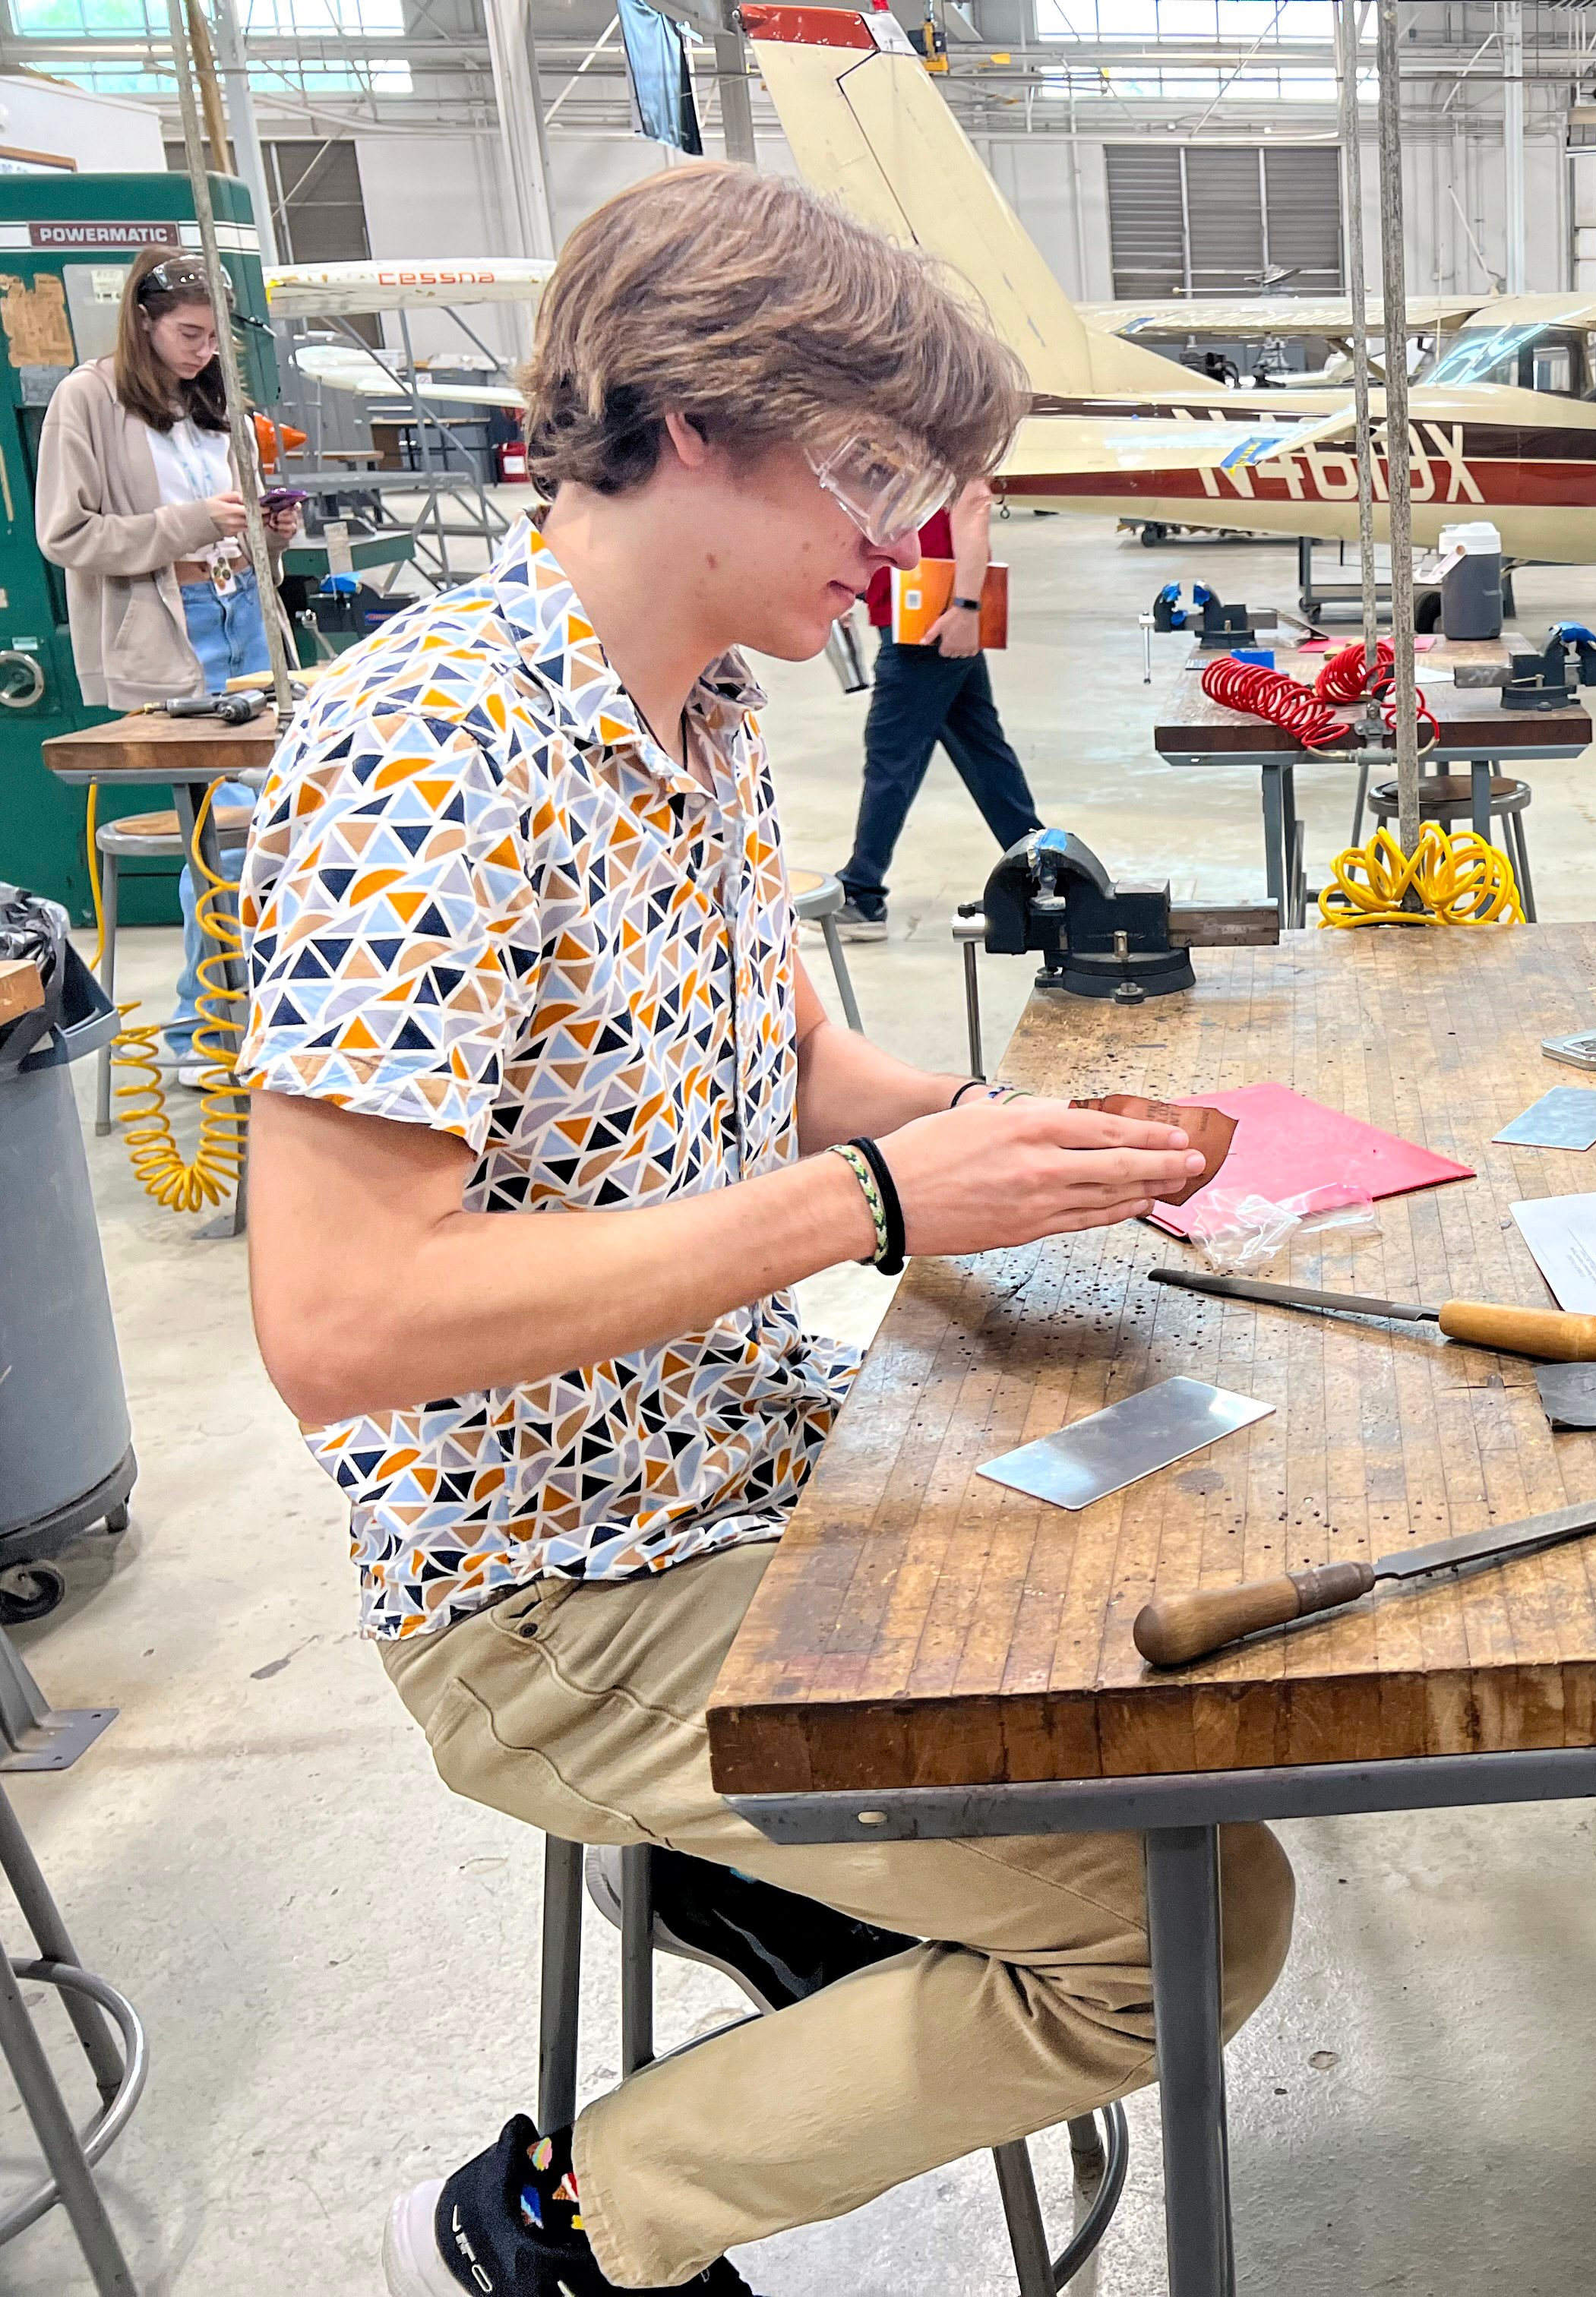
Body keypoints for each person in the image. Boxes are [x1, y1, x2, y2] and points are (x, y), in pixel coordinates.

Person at [235, 163, 1294, 2297]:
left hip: (747, 1446)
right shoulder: (429, 754)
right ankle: (586, 2219)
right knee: (1192, 1922)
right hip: (549, 1580)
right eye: (879, 470)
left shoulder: (703, 705)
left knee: (1194, 1487)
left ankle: (821, 1901)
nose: (907, 537)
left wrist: (1039, 1140)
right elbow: (338, 1323)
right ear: (697, 420)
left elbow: (795, 1070)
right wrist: (885, 1201)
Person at [37, 246, 300, 1081]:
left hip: (243, 620)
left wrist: (270, 535)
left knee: (276, 826)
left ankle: (256, 1013)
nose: (203, 351)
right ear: (142, 322)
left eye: (217, 338)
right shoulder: (88, 399)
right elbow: (68, 536)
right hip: (173, 631)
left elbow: (233, 525)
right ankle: (202, 1031)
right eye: (188, 333)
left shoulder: (210, 401)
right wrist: (192, 522)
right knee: (218, 836)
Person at [833, 468, 1041, 939]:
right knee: (982, 750)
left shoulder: (943, 424)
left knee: (892, 756)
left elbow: (973, 507)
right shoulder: (913, 429)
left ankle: (862, 895)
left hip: (930, 615)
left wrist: (967, 608)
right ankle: (1042, 873)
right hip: (926, 608)